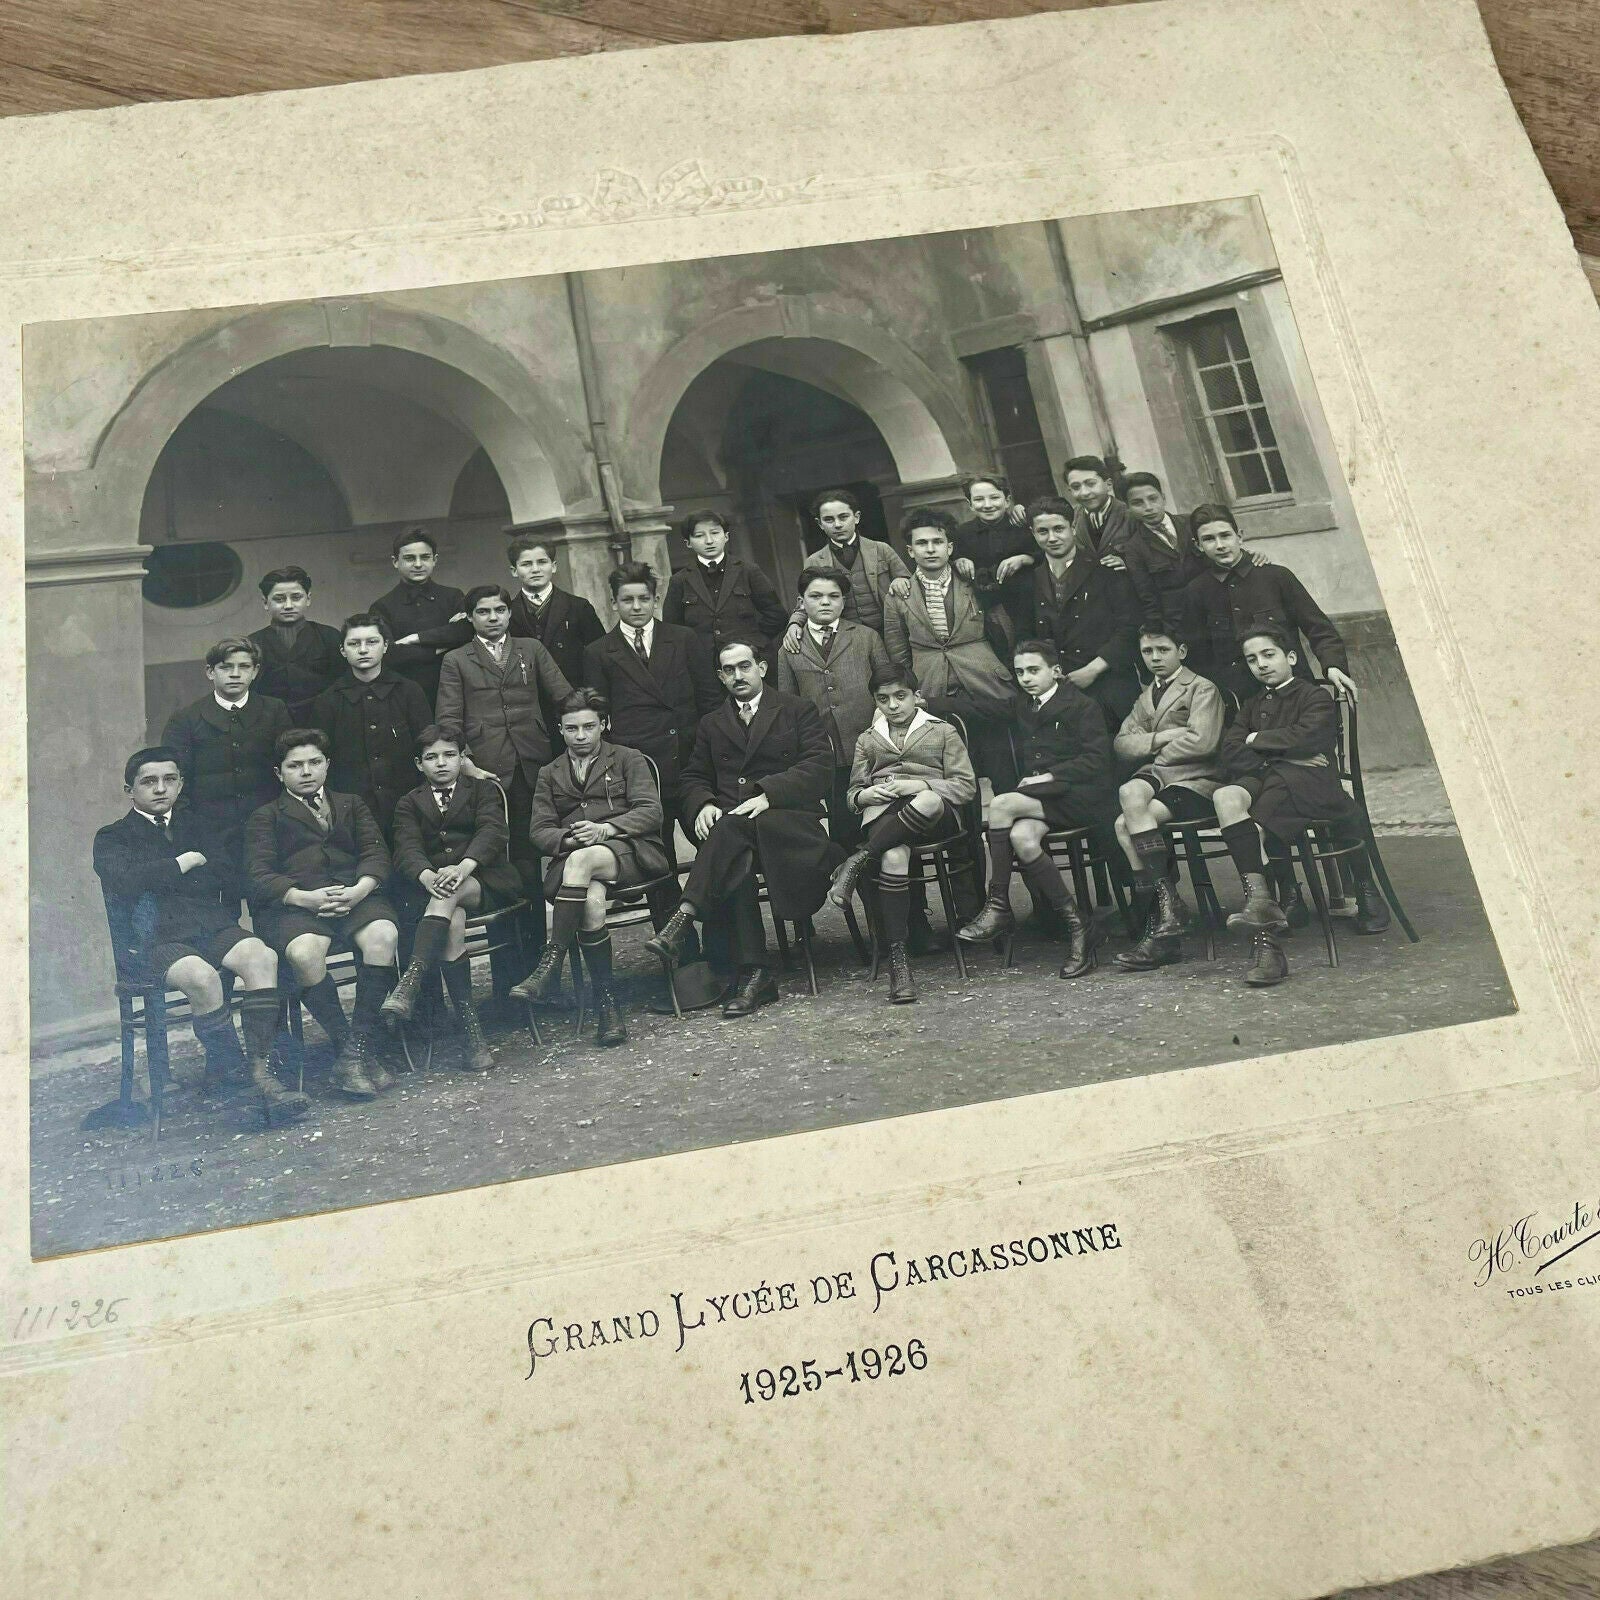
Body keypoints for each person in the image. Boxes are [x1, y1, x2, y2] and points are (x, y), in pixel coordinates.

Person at [93, 746, 306, 1124]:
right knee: (203, 978)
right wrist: (184, 862)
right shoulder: (114, 837)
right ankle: (238, 1082)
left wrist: (160, 874)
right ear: (130, 790)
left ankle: (260, 1073)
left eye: (169, 779)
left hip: (211, 926)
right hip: (153, 940)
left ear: (180, 784)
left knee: (263, 958)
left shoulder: (200, 826)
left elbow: (227, 874)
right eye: (149, 781)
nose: (160, 789)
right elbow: (124, 883)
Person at [644, 637, 840, 1018]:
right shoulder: (711, 723)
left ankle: (684, 918)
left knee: (729, 836)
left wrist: (769, 793)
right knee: (738, 859)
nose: (738, 676)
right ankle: (756, 975)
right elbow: (694, 775)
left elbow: (819, 767)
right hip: (738, 833)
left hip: (791, 825)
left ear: (762, 668)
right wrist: (702, 803)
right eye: (729, 670)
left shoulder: (796, 710)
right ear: (720, 676)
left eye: (745, 666)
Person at [1211, 623, 1390, 987]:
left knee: (1253, 831)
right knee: (1226, 796)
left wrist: (1256, 740)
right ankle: (1266, 902)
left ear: (1291, 657)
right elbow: (1229, 753)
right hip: (1274, 782)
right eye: (1252, 659)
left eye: (1268, 654)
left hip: (1313, 788)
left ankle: (1268, 942)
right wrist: (1280, 754)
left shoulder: (1314, 697)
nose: (1260, 664)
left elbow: (1311, 738)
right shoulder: (1251, 706)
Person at [244, 728, 401, 1100]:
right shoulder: (266, 816)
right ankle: (350, 1049)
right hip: (298, 906)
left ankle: (354, 1053)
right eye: (294, 765)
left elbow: (376, 854)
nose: (306, 771)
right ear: (279, 773)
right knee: (303, 953)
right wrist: (304, 898)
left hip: (354, 895)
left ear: (328, 765)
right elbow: (258, 875)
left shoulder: (351, 804)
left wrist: (359, 889)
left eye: (314, 762)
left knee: (383, 936)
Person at [513, 690, 669, 1047]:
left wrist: (606, 830)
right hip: (574, 863)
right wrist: (568, 840)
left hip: (628, 852)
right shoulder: (549, 773)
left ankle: (551, 960)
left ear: (604, 725)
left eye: (588, 727)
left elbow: (651, 811)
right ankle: (607, 1006)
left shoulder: (628, 758)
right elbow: (538, 830)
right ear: (561, 730)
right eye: (571, 729)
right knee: (591, 903)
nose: (580, 736)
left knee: (583, 862)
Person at [956, 639, 1119, 979]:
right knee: (1022, 838)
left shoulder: (1082, 706)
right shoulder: (1024, 705)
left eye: (1034, 670)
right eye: (1019, 672)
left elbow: (1097, 760)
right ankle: (1080, 926)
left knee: (1001, 804)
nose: (1026, 678)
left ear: (1056, 672)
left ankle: (997, 904)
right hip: (1049, 797)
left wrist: (1051, 774)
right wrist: (928, 702)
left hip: (1082, 796)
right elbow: (981, 708)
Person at [435, 585, 574, 965]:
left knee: (530, 864)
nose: (493, 617)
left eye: (499, 610)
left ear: (510, 614)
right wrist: (464, 762)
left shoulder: (532, 649)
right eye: (483, 611)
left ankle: (538, 964)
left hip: (534, 766)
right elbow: (448, 719)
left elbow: (564, 696)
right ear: (470, 617)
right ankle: (508, 974)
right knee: (499, 866)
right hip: (487, 773)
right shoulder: (456, 660)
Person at [827, 663, 979, 1003]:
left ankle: (859, 859)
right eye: (884, 700)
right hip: (885, 816)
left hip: (934, 816)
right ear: (876, 703)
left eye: (900, 697)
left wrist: (920, 782)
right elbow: (852, 794)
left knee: (925, 799)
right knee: (895, 854)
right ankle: (899, 962)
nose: (893, 706)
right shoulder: (867, 740)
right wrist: (864, 796)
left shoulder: (941, 732)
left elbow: (965, 787)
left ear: (917, 697)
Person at [383, 724, 521, 1072]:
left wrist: (463, 866)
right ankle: (472, 1033)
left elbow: (493, 831)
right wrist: (428, 875)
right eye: (431, 757)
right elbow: (406, 848)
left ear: (463, 757)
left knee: (452, 892)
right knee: (451, 920)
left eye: (449, 755)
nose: (441, 763)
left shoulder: (483, 790)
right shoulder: (408, 803)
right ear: (419, 764)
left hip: (484, 879)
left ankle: (410, 982)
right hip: (437, 890)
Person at [1110, 623, 1226, 971]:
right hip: (1161, 777)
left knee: (1123, 826)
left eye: (1163, 649)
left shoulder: (1201, 688)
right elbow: (1120, 744)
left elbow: (1204, 742)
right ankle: (1168, 901)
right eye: (1148, 651)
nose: (1155, 657)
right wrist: (1166, 736)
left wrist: (1151, 746)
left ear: (1182, 652)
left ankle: (1161, 927)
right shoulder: (1145, 696)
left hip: (1196, 780)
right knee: (1129, 791)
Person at [881, 506, 1017, 791]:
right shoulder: (899, 594)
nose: (930, 549)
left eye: (937, 542)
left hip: (985, 683)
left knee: (1004, 767)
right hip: (933, 688)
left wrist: (1001, 669)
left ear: (950, 546)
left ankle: (1007, 830)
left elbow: (1003, 632)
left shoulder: (972, 581)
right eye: (922, 543)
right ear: (910, 550)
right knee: (952, 777)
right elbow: (898, 653)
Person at [1180, 503, 1358, 704]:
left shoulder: (1276, 577)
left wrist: (1333, 665)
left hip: (1295, 696)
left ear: (1240, 536)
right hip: (1241, 704)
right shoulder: (1196, 592)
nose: (1220, 545)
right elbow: (1197, 656)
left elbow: (1319, 629)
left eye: (1225, 535)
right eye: (1209, 539)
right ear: (1198, 545)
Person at [161, 637, 291, 902]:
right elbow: (175, 780)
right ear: (210, 672)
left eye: (244, 666)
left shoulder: (274, 711)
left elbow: (289, 769)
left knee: (272, 903)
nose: (235, 674)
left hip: (267, 829)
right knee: (220, 911)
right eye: (226, 667)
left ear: (255, 672)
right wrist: (191, 829)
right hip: (210, 832)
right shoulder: (186, 719)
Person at [775, 567, 892, 848]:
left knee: (883, 828)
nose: (825, 602)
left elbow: (888, 688)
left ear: (843, 601)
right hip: (825, 756)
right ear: (801, 602)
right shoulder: (789, 648)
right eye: (815, 596)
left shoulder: (866, 637)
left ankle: (897, 890)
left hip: (872, 752)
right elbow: (787, 706)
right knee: (844, 834)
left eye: (833, 596)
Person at [1020, 495, 1141, 732]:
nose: (1052, 538)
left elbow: (1129, 628)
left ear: (1073, 527)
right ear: (1033, 533)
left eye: (1059, 529)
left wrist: (1093, 670)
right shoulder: (1028, 580)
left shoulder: (1106, 570)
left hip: (1109, 684)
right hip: (1057, 689)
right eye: (1042, 531)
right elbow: (1025, 636)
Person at [311, 612, 433, 838]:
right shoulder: (328, 700)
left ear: (385, 646)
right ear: (342, 650)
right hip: (352, 810)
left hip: (408, 805)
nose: (363, 650)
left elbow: (428, 746)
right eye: (354, 643)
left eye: (372, 642)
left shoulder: (409, 691)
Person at [1120, 474, 1271, 637]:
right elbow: (1148, 597)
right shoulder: (1134, 548)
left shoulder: (1192, 522)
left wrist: (1250, 556)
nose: (1148, 507)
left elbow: (1224, 550)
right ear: (1128, 508)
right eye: (1137, 503)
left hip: (1221, 610)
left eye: (1153, 498)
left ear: (1163, 498)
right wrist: (1162, 633)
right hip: (1181, 624)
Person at [781, 488, 912, 648]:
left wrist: (901, 580)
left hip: (891, 634)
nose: (837, 525)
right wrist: (794, 624)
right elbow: (805, 602)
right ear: (819, 524)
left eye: (843, 517)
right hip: (846, 641)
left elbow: (909, 585)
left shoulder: (881, 549)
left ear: (856, 517)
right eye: (829, 520)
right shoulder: (814, 561)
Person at [662, 509, 789, 663]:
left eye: (715, 533)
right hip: (704, 666)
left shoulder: (748, 571)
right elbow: (672, 630)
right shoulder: (679, 581)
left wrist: (753, 642)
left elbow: (777, 615)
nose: (709, 541)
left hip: (749, 660)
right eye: (699, 535)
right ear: (688, 543)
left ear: (726, 536)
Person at [369, 527, 473, 708]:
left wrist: (415, 639)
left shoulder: (453, 596)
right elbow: (389, 654)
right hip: (407, 696)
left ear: (435, 560)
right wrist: (439, 647)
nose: (418, 564)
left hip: (456, 689)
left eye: (425, 557)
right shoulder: (383, 606)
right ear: (395, 562)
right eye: (409, 558)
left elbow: (465, 631)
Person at [952, 470, 1037, 658]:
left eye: (994, 498)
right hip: (988, 610)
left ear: (1007, 500)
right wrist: (959, 560)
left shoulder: (1023, 526)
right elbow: (951, 557)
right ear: (970, 504)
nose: (988, 505)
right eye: (979, 500)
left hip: (1027, 606)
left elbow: (1044, 555)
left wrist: (1025, 558)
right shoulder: (962, 533)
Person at [246, 566, 344, 724]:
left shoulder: (329, 636)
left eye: (296, 597)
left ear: (308, 599)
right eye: (279, 599)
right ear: (265, 602)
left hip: (324, 722)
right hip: (272, 724)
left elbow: (343, 684)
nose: (288, 605)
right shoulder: (253, 643)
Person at [505, 535, 606, 689]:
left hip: (574, 695)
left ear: (553, 566)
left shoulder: (578, 607)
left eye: (542, 562)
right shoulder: (507, 613)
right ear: (514, 570)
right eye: (526, 564)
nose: (535, 569)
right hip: (531, 699)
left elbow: (600, 655)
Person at [1062, 455, 1136, 564]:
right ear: (1070, 490)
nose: (1084, 493)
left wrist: (1128, 563)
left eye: (1091, 484)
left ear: (1109, 485)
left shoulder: (1131, 515)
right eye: (1076, 487)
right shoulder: (1071, 518)